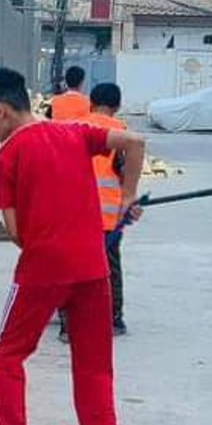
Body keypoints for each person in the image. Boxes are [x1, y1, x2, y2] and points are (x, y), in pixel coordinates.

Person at [0, 67, 145, 425]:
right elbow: (135, 142)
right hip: (92, 268)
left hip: (42, 269)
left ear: (0, 111)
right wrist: (126, 196)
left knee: (7, 357)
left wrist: (40, 237)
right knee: (94, 367)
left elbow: (14, 230)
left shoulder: (7, 156)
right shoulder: (74, 133)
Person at [83, 83, 129, 336]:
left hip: (76, 215)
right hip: (108, 217)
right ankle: (114, 319)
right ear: (117, 106)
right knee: (109, 267)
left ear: (91, 101)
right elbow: (124, 172)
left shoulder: (75, 126)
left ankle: (69, 325)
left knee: (73, 266)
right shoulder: (121, 132)